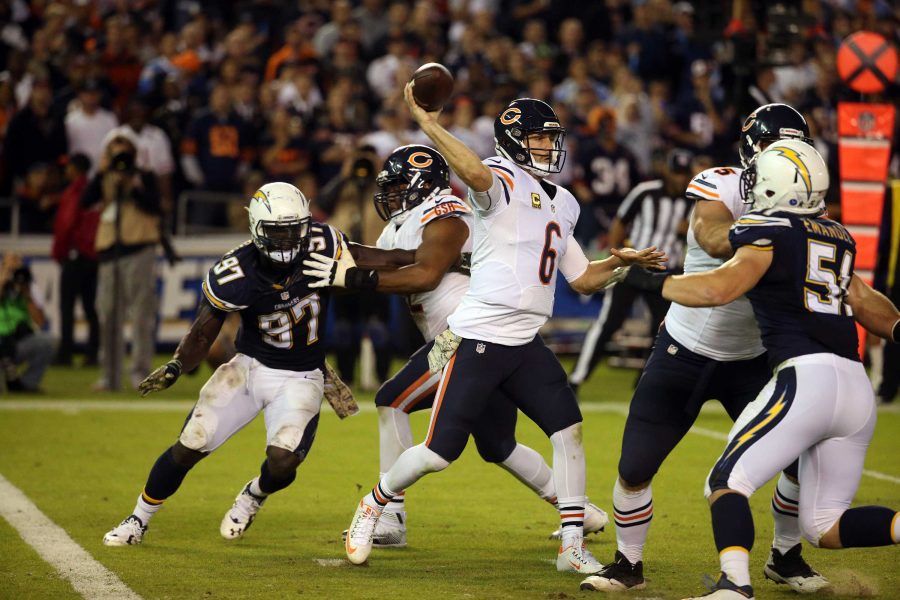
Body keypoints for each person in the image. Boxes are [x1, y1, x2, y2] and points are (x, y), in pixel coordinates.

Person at [334, 87, 665, 571]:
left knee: (568, 429)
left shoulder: (565, 201)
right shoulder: (500, 183)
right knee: (438, 452)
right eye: (537, 138)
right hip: (479, 336)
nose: (548, 147)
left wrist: (620, 265)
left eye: (550, 138)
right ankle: (376, 503)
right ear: (511, 141)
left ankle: (572, 546)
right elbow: (472, 171)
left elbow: (582, 279)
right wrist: (428, 124)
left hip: (525, 339)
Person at [625, 140, 900, 600]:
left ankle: (735, 585)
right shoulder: (837, 235)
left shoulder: (766, 230)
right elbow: (869, 304)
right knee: (824, 525)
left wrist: (653, 281)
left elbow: (720, 288)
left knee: (727, 481)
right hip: (854, 390)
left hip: (805, 378)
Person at [305, 144, 607, 548]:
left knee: (393, 400)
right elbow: (399, 259)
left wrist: (350, 273)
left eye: (397, 185)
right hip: (472, 335)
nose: (390, 194)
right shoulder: (402, 223)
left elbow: (424, 273)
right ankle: (581, 512)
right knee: (497, 444)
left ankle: (388, 515)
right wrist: (340, 255)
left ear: (422, 184)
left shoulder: (448, 210)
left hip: (466, 333)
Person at [580, 104, 828, 594]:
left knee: (798, 460)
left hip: (754, 360)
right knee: (635, 467)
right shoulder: (724, 184)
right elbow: (711, 236)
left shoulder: (805, 203)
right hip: (686, 349)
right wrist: (768, 229)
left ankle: (785, 556)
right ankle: (628, 567)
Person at [102, 182, 348, 546]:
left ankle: (254, 494)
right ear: (256, 229)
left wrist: (376, 273)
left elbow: (369, 261)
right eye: (276, 233)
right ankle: (138, 518)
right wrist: (175, 366)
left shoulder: (325, 244)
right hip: (250, 368)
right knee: (190, 444)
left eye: (293, 231)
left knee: (283, 462)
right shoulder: (236, 272)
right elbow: (203, 333)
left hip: (302, 374)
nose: (286, 242)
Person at [569, 148, 693, 393]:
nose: (679, 179)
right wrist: (616, 257)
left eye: (684, 174)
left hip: (666, 273)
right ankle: (576, 379)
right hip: (634, 268)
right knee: (608, 323)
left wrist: (689, 230)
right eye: (676, 173)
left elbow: (705, 236)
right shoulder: (645, 192)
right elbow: (620, 222)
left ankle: (647, 381)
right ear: (666, 171)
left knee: (664, 329)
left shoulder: (694, 201)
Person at [83, 136, 161, 391]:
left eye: (125, 156)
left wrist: (134, 186)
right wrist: (101, 172)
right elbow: (85, 201)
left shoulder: (145, 177)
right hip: (109, 251)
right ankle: (110, 377)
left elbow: (156, 206)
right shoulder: (104, 177)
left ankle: (140, 373)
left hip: (139, 249)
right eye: (116, 156)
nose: (121, 163)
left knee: (141, 315)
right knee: (107, 315)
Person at [51, 153, 100, 366]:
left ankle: (65, 353)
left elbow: (66, 224)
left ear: (77, 168)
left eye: (68, 166)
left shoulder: (74, 191)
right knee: (91, 307)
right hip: (92, 256)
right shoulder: (93, 190)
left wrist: (59, 252)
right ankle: (92, 353)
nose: (65, 170)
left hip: (74, 255)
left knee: (67, 307)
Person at [0, 257, 55, 393]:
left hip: (16, 343)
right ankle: (8, 376)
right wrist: (5, 274)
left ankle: (27, 383)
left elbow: (40, 322)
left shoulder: (30, 287)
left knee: (47, 341)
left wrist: (27, 293)